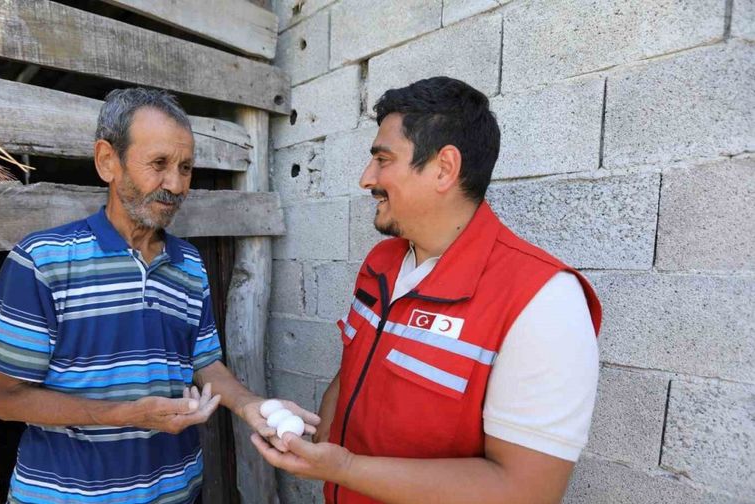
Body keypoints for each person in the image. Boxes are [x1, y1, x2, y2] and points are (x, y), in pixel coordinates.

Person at [252, 77, 602, 504]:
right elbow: (355, 371)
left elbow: (525, 491)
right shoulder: (380, 264)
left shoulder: (543, 300)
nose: (367, 179)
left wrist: (342, 467)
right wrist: (310, 434)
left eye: (383, 159)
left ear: (443, 168)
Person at [0, 88, 318, 504]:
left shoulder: (189, 264)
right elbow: (3, 398)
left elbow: (205, 363)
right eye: (159, 164)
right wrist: (126, 416)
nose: (175, 184)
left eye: (186, 168)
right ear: (108, 161)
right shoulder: (42, 261)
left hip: (177, 492)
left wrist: (251, 407)